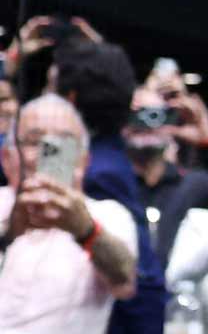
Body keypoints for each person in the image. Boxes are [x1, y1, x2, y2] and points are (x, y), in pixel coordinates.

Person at [52, 41, 165, 334]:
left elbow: (141, 277)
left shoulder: (97, 173)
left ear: (70, 99)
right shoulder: (105, 156)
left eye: (51, 92)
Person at [0, 95, 139, 330]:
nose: (49, 152)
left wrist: (86, 231)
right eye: (34, 141)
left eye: (63, 144)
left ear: (84, 161)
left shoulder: (109, 215)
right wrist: (8, 233)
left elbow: (125, 282)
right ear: (7, 157)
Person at [125, 85, 208, 267]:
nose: (146, 123)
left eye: (155, 115)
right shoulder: (108, 182)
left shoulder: (193, 185)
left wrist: (206, 144)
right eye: (137, 114)